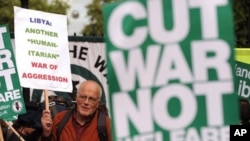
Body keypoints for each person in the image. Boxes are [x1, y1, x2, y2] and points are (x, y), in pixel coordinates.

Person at [39, 80, 112, 141]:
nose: (86, 102)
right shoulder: (60, 119)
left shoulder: (107, 125)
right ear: (76, 98)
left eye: (91, 99)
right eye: (83, 97)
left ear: (98, 104)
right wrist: (46, 133)